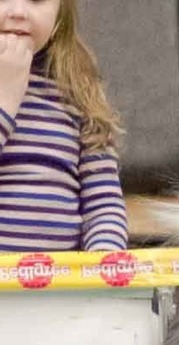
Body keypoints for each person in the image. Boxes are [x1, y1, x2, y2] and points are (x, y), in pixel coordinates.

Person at [0, 0, 126, 253]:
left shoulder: (77, 89)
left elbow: (103, 204)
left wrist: (103, 260)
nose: (18, 12)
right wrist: (5, 98)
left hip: (60, 286)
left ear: (61, 13)